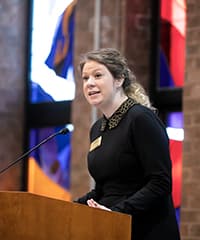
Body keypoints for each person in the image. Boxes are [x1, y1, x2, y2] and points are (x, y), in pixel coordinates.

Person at [74, 48, 180, 240]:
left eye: (98, 75)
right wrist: (69, 207)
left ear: (119, 79)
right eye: (85, 78)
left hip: (147, 229)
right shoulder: (98, 128)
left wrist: (117, 212)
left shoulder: (140, 119)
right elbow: (104, 189)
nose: (90, 83)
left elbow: (160, 182)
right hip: (114, 227)